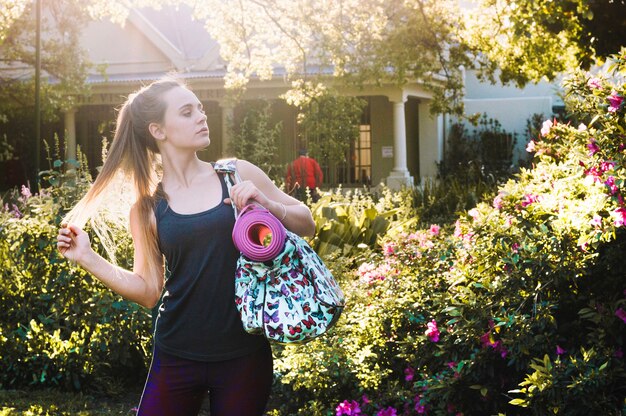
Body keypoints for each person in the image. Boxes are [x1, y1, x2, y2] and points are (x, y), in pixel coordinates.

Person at [56, 76, 315, 416]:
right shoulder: (148, 208)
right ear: (158, 130)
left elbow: (306, 222)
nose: (201, 117)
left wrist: (268, 204)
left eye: (201, 109)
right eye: (187, 111)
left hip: (243, 355)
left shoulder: (236, 174)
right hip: (176, 354)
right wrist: (88, 258)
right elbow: (149, 290)